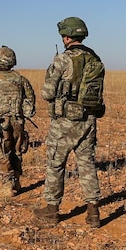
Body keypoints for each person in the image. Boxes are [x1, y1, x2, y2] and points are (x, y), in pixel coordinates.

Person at [33, 17, 105, 228]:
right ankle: (93, 213)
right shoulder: (95, 59)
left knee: (56, 163)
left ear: (66, 36)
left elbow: (47, 93)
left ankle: (52, 209)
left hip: (64, 121)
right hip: (88, 119)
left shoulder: (62, 60)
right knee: (87, 164)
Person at [0, 46, 36, 197]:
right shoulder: (21, 79)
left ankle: (6, 186)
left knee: (2, 152)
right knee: (17, 150)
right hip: (18, 120)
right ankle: (16, 181)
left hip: (0, 122)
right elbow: (31, 99)